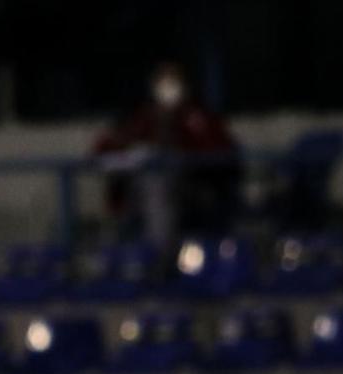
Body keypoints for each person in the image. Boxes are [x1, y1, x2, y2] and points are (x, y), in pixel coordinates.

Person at [92, 60, 240, 246]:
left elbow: (224, 151)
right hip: (138, 190)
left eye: (174, 79)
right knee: (152, 182)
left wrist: (184, 145)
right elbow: (104, 149)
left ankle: (160, 257)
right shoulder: (144, 116)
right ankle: (142, 255)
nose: (168, 86)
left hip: (192, 189)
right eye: (163, 79)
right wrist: (136, 149)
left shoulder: (198, 116)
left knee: (158, 184)